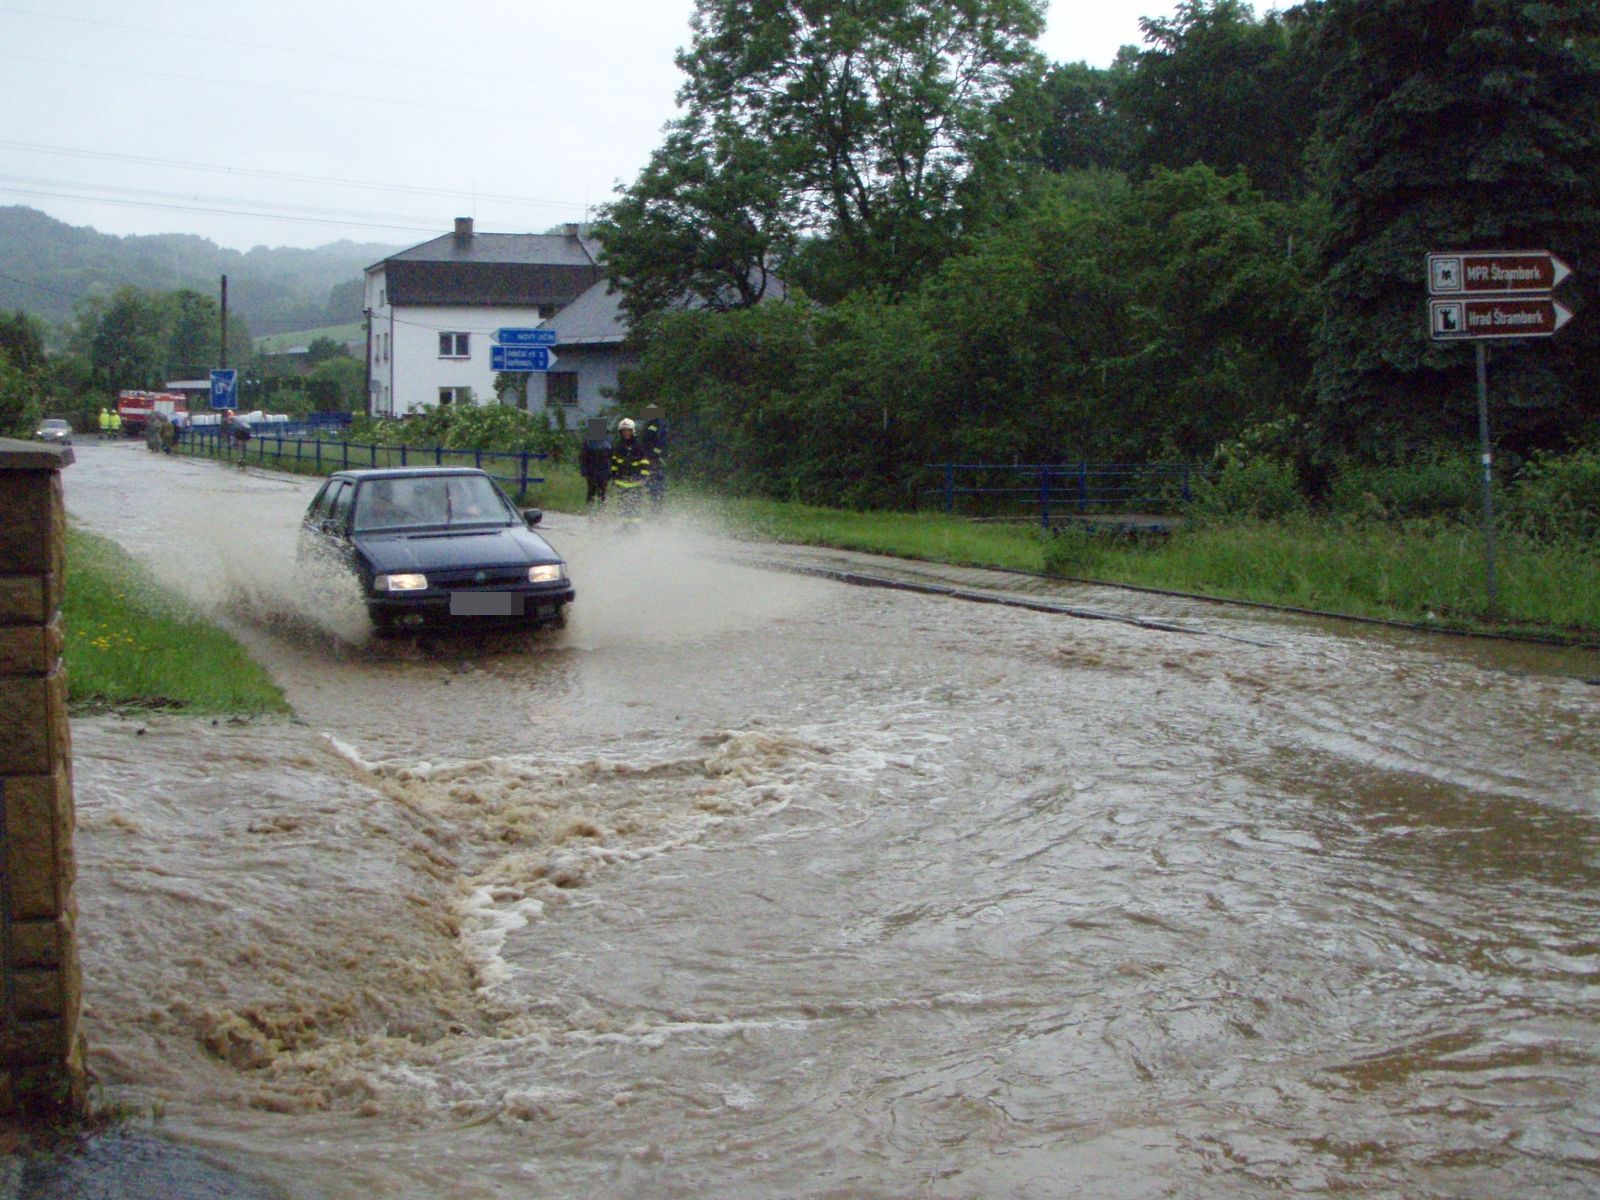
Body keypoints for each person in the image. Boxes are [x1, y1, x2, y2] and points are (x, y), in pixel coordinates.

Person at [608, 418, 652, 518]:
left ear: (632, 431)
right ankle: (624, 526)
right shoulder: (618, 447)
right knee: (622, 505)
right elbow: (614, 463)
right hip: (621, 481)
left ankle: (634, 527)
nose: (626, 433)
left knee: (635, 504)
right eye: (624, 431)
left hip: (636, 481)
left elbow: (644, 462)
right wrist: (614, 477)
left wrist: (643, 477)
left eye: (628, 430)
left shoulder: (638, 446)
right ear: (620, 432)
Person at [579, 423, 612, 507]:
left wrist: (610, 471)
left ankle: (602, 510)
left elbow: (610, 457)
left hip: (603, 471)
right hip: (591, 471)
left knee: (602, 492)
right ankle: (590, 509)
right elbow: (583, 457)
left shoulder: (607, 442)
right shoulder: (588, 442)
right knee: (591, 491)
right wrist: (584, 469)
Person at [640, 417, 666, 510]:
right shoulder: (658, 425)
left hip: (653, 458)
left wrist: (653, 455)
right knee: (654, 484)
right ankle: (655, 505)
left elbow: (655, 442)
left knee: (655, 484)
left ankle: (655, 506)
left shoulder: (655, 426)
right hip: (654, 458)